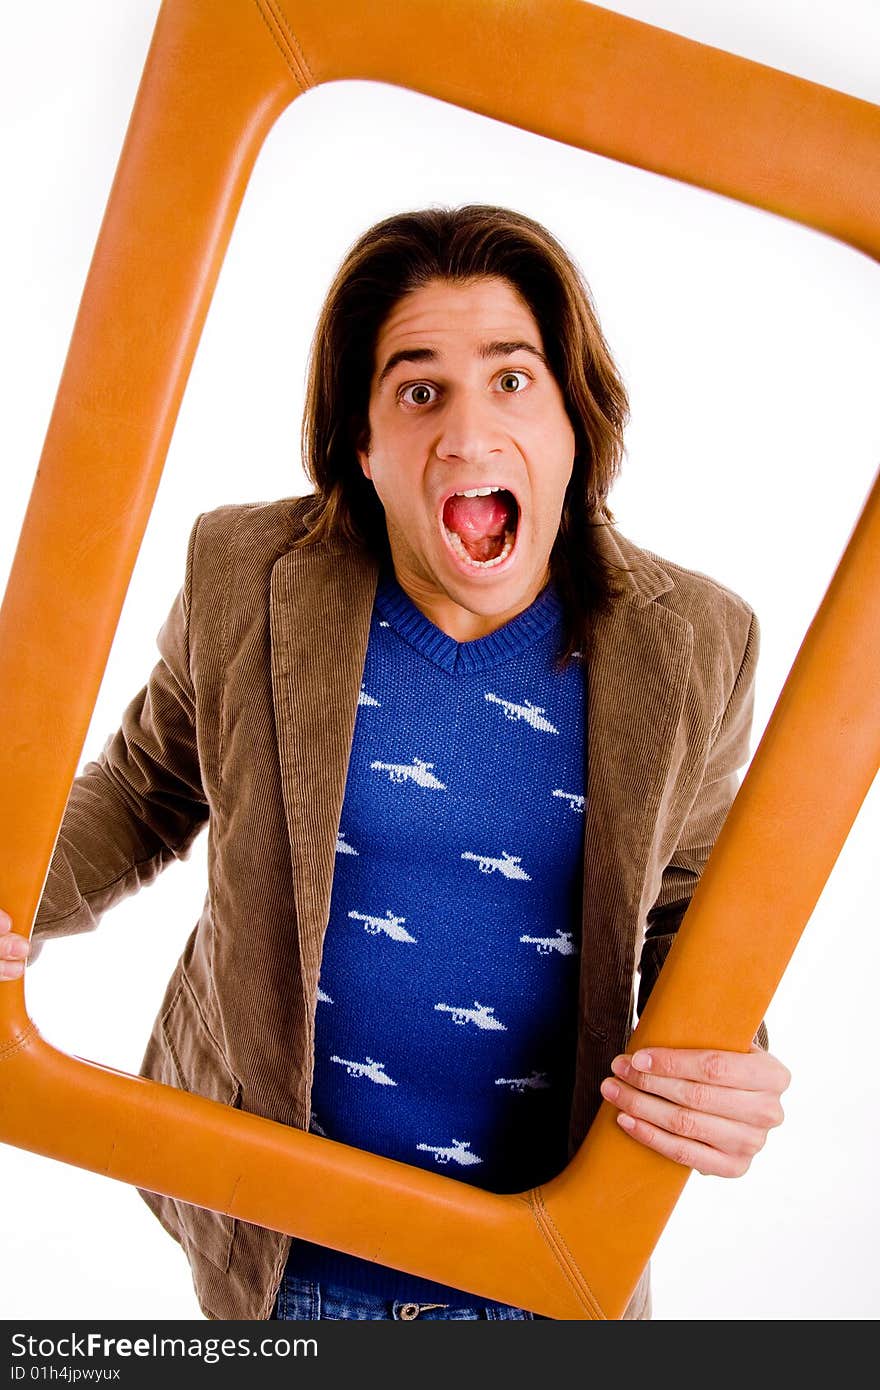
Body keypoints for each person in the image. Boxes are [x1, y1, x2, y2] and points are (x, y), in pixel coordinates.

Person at [0, 205, 790, 1322]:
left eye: (512, 380)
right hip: (279, 1254)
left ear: (575, 420)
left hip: (548, 1265)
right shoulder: (245, 574)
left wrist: (720, 1061)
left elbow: (691, 898)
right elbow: (142, 790)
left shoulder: (695, 637)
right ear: (362, 447)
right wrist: (9, 884)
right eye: (419, 391)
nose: (467, 434)